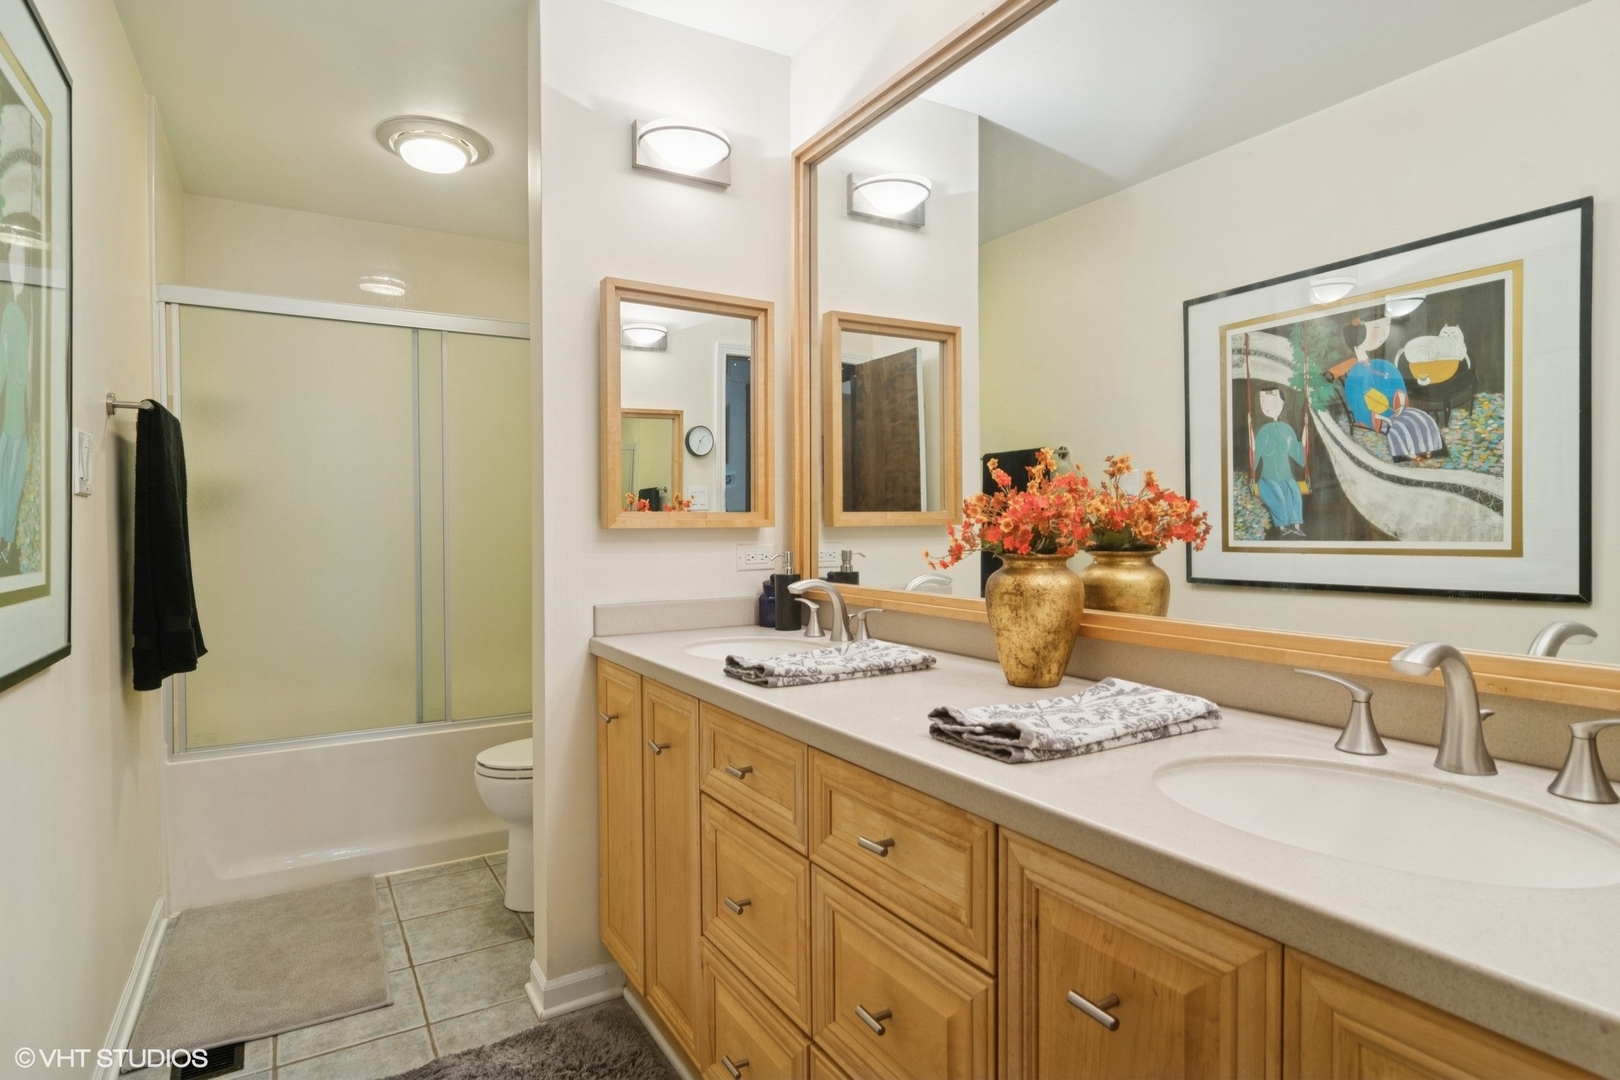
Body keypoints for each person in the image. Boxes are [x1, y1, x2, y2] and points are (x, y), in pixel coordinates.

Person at [1340, 313, 1445, 462]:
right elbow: (1356, 401)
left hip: (1394, 408)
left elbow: (1396, 384)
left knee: (1421, 418)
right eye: (1377, 328)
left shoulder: (1382, 365)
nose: (1383, 333)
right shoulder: (1355, 373)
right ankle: (1408, 452)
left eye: (1386, 326)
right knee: (1398, 428)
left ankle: (1429, 446)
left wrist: (1400, 403)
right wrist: (1378, 416)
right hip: (1375, 414)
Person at [0, 230, 29, 575]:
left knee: (13, 479)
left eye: (21, 260)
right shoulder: (10, 310)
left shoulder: (20, 309)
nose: (16, 267)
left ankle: (7, 542)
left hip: (19, 412)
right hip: (10, 413)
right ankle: (6, 541)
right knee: (7, 478)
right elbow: (7, 367)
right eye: (12, 260)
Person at [1251, 387, 1307, 537]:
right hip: (1269, 478)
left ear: (1282, 405)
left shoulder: (1286, 429)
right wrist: (1251, 434)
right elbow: (1255, 451)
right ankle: (1283, 527)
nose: (1268, 407)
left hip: (1287, 475)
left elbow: (1297, 449)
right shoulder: (1263, 431)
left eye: (1273, 403)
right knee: (1280, 498)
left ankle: (1296, 526)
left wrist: (1305, 429)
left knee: (1296, 494)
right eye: (1264, 404)